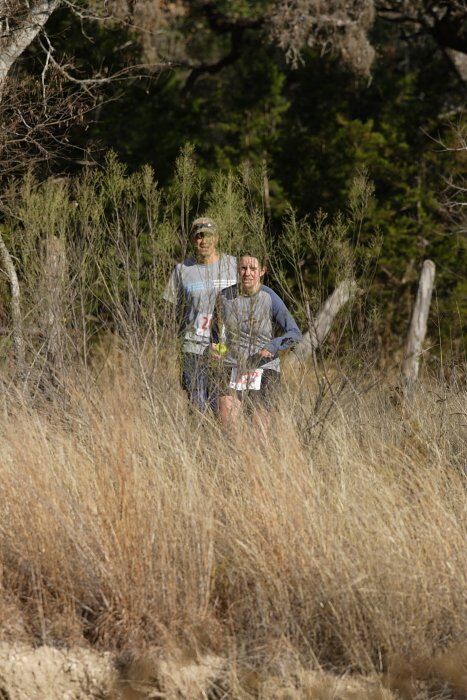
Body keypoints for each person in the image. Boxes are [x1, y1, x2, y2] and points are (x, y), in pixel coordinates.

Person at [210, 252, 302, 429]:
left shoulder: (270, 297)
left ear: (262, 271)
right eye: (243, 268)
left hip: (263, 368)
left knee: (259, 430)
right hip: (232, 366)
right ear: (237, 270)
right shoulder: (224, 297)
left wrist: (273, 346)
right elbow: (213, 331)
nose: (248, 273)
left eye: (253, 268)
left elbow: (294, 333)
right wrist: (214, 346)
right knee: (228, 425)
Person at [163, 217, 237, 411]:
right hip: (193, 347)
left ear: (217, 238)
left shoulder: (233, 266)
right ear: (192, 239)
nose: (204, 241)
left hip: (227, 348)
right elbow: (170, 311)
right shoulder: (182, 270)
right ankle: (197, 440)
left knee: (224, 406)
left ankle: (222, 441)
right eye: (199, 236)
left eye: (208, 236)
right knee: (197, 404)